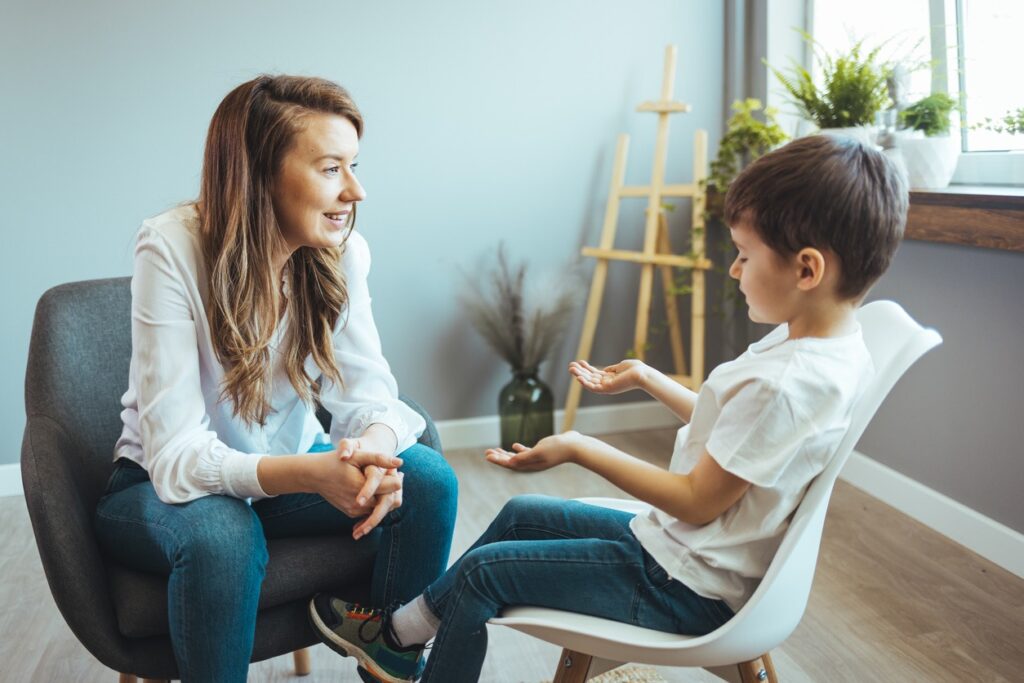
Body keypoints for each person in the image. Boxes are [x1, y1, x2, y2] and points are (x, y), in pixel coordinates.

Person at [307, 133, 909, 682]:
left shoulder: (791, 380)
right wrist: (649, 379)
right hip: (677, 553)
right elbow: (736, 428)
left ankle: (399, 642)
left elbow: (699, 501)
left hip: (684, 585)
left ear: (806, 269)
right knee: (520, 514)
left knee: (487, 573)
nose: (734, 268)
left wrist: (582, 447)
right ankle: (400, 639)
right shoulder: (822, 344)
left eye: (746, 255)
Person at [93, 75, 458, 683]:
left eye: (354, 166)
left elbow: (372, 398)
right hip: (158, 490)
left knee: (426, 479)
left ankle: (390, 661)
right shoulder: (172, 247)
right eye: (331, 168)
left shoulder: (340, 253)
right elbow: (176, 457)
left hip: (285, 476)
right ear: (260, 173)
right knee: (222, 534)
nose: (356, 190)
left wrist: (370, 453)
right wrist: (310, 473)